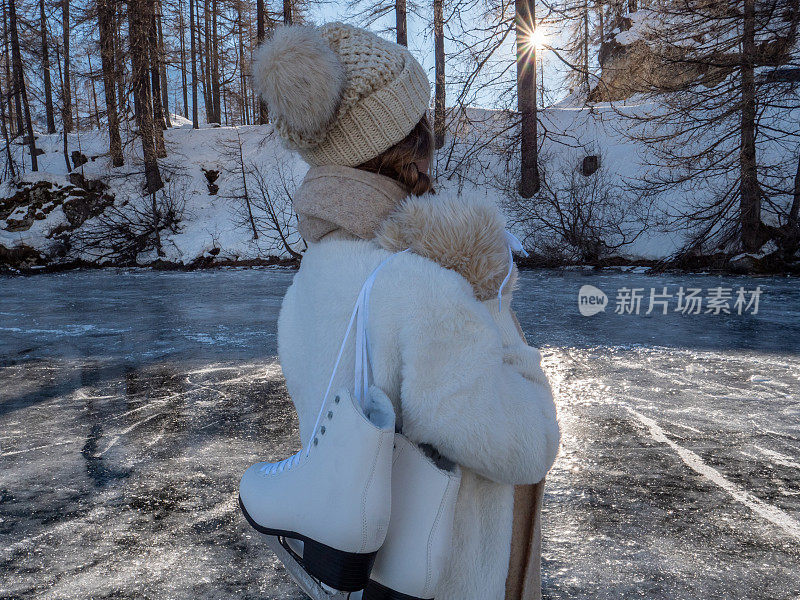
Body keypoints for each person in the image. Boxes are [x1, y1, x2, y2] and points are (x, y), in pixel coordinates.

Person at [252, 22, 560, 600]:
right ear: (407, 138)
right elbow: (525, 444)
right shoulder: (420, 284)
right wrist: (494, 306)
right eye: (424, 120)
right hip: (448, 582)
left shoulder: (312, 277)